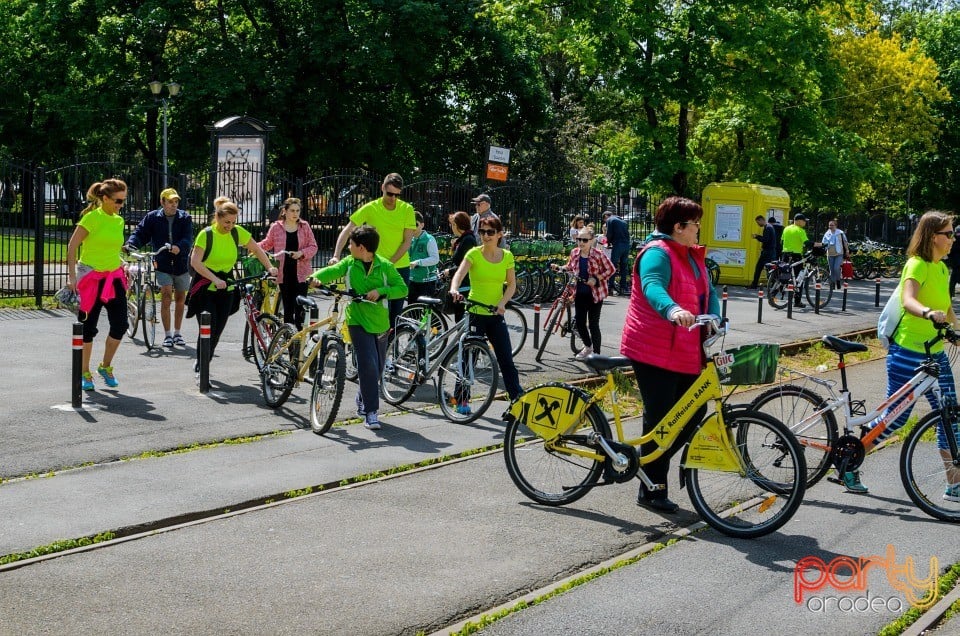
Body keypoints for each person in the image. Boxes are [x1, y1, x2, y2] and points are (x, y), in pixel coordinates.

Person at [620, 196, 720, 513]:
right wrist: (673, 309)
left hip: (685, 348)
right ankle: (652, 487)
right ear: (679, 227)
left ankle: (649, 466)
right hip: (653, 348)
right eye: (695, 225)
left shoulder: (690, 255)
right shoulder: (656, 254)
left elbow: (708, 292)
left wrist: (715, 317)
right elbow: (652, 287)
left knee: (694, 411)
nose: (698, 230)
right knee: (661, 418)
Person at [851, 211, 959, 495]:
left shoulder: (941, 268)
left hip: (935, 352)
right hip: (908, 352)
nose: (952, 238)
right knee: (896, 419)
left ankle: (954, 482)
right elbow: (908, 300)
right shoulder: (917, 265)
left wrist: (955, 330)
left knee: (949, 416)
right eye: (948, 234)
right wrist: (927, 312)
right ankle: (850, 462)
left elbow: (946, 306)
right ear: (932, 236)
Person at [309, 226, 407, 430]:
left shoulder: (386, 266)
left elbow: (402, 288)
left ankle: (363, 396)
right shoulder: (350, 263)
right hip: (356, 320)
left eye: (351, 244)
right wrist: (315, 278)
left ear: (362, 247)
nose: (349, 247)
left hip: (380, 323)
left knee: (378, 368)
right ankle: (371, 413)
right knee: (368, 365)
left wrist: (381, 291)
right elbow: (332, 271)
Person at [188, 201, 278, 373]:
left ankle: (205, 360)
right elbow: (195, 262)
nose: (230, 226)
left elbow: (257, 249)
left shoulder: (237, 232)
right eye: (226, 222)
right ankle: (202, 364)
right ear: (218, 218)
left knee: (218, 330)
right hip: (205, 285)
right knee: (209, 326)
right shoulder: (206, 234)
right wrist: (214, 279)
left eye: (233, 222)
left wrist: (269, 267)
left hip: (227, 285)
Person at [448, 214, 523, 406]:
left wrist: (502, 303)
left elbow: (512, 284)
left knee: (506, 359)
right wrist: (454, 288)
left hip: (495, 314)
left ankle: (517, 400)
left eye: (490, 232)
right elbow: (459, 274)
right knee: (468, 359)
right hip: (475, 313)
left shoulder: (507, 256)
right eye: (482, 231)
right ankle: (462, 399)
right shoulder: (473, 253)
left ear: (499, 234)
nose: (486, 236)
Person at [66, 179, 131, 391]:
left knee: (121, 325)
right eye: (118, 200)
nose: (121, 205)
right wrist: (72, 277)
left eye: (123, 201)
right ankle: (85, 372)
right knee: (88, 328)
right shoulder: (91, 218)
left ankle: (105, 366)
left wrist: (123, 263)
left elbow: (112, 248)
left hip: (113, 278)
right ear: (104, 198)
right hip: (91, 278)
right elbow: (72, 245)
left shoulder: (118, 220)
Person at [329, 173, 416, 329]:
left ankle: (390, 349)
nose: (393, 198)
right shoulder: (370, 208)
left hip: (399, 267)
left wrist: (389, 263)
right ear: (382, 188)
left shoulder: (407, 209)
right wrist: (336, 255)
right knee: (373, 311)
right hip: (374, 269)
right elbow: (348, 230)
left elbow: (407, 241)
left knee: (394, 316)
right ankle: (374, 347)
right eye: (390, 194)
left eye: (397, 195)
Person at [124, 187, 194, 347]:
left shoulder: (185, 218)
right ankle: (168, 334)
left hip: (181, 263)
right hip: (162, 262)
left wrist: (180, 246)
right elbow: (141, 233)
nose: (174, 205)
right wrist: (131, 244)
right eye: (170, 202)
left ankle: (177, 333)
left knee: (180, 298)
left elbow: (188, 238)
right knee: (167, 295)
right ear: (162, 202)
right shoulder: (152, 218)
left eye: (176, 201)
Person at [258, 197, 318, 329]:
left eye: (298, 210)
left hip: (301, 274)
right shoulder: (276, 227)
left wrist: (301, 253)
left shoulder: (304, 226)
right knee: (288, 308)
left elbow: (313, 247)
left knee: (300, 308)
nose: (295, 214)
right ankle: (289, 339)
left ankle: (299, 338)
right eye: (292, 210)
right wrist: (253, 247)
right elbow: (267, 243)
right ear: (284, 211)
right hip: (283, 274)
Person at [559, 227, 616, 359]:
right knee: (579, 322)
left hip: (595, 295)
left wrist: (596, 278)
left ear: (592, 241)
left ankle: (596, 355)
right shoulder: (574, 252)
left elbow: (611, 269)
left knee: (593, 324)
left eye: (584, 240)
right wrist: (561, 268)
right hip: (579, 293)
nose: (581, 242)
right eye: (579, 239)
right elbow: (571, 267)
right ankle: (588, 347)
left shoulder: (598, 254)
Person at [443, 211, 478, 323]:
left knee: (462, 320)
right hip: (461, 285)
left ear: (459, 225)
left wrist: (450, 271)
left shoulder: (468, 240)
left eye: (453, 224)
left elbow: (466, 264)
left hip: (465, 285)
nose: (451, 227)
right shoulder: (463, 239)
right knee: (460, 320)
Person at [407, 211, 440, 303]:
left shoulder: (429, 239)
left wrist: (418, 262)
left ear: (422, 225)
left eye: (415, 224)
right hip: (412, 280)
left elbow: (435, 259)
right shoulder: (409, 239)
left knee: (424, 312)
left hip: (427, 281)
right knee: (412, 310)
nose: (413, 228)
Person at [781, 213, 811, 308]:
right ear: (798, 221)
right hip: (796, 256)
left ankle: (773, 293)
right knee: (799, 278)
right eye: (804, 221)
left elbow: (782, 241)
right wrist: (817, 244)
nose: (805, 222)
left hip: (785, 254)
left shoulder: (786, 228)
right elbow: (806, 242)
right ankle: (797, 301)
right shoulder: (800, 230)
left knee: (785, 274)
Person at [603, 208, 631, 296]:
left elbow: (609, 233)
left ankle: (610, 287)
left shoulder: (610, 220)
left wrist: (608, 242)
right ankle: (623, 287)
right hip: (626, 245)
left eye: (604, 219)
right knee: (624, 267)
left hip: (618, 244)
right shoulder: (623, 221)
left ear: (606, 216)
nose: (605, 221)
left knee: (613, 266)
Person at [748, 215, 777, 289]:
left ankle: (754, 284)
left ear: (761, 220)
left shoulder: (767, 228)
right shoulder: (770, 227)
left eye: (758, 222)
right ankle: (774, 284)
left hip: (767, 252)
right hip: (771, 251)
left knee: (759, 267)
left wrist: (757, 236)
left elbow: (765, 239)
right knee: (770, 269)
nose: (758, 224)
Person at [821, 218, 850, 290]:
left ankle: (838, 280)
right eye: (829, 225)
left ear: (836, 226)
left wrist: (847, 251)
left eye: (832, 225)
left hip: (839, 253)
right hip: (830, 254)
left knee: (836, 268)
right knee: (831, 270)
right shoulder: (827, 233)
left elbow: (845, 242)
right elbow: (823, 243)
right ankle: (833, 284)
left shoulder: (840, 233)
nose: (830, 226)